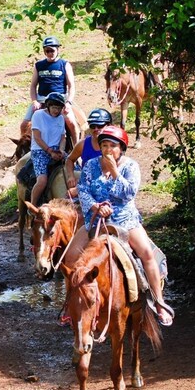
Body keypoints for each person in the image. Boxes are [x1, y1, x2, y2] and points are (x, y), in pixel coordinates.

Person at [73, 127, 174, 326]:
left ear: (121, 148)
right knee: (72, 256)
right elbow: (83, 190)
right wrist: (95, 206)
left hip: (125, 220)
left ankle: (159, 302)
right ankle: (72, 304)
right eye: (104, 145)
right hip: (97, 220)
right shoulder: (91, 165)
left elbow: (129, 193)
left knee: (147, 254)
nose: (108, 149)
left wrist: (115, 172)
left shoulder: (131, 166)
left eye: (113, 146)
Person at [21, 36, 79, 143]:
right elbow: (33, 86)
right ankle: (23, 147)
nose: (49, 53)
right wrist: (34, 101)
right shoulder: (39, 65)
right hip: (41, 99)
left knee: (72, 123)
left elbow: (71, 86)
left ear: (57, 50)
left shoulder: (64, 65)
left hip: (60, 99)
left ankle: (77, 147)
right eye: (47, 51)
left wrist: (68, 102)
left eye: (52, 50)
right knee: (24, 124)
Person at [63, 108, 113, 197]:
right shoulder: (83, 144)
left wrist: (79, 189)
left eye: (100, 125)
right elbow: (70, 159)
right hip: (86, 183)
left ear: (108, 125)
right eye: (92, 126)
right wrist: (71, 176)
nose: (96, 129)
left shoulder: (115, 146)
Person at [30, 92, 67, 206]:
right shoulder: (38, 115)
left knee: (75, 168)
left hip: (56, 150)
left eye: (59, 108)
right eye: (54, 107)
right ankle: (32, 206)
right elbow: (37, 137)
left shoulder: (61, 118)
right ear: (48, 105)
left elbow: (63, 137)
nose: (56, 110)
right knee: (42, 180)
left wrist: (61, 150)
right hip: (40, 150)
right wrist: (50, 151)